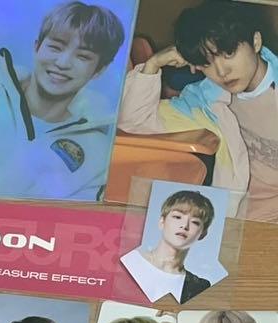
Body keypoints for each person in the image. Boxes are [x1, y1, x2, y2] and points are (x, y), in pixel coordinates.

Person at [116, 0, 278, 222]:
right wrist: (154, 64)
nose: (222, 71)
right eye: (207, 63)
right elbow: (134, 121)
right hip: (227, 219)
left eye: (229, 53)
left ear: (256, 42)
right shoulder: (205, 100)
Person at [0, 2, 127, 200]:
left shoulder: (98, 151)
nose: (62, 63)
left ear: (99, 70)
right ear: (37, 47)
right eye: (55, 47)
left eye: (83, 57)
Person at [121, 189, 217, 304]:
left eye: (195, 222)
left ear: (203, 234)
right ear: (162, 221)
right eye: (177, 217)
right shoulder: (128, 260)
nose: (184, 225)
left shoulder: (199, 287)